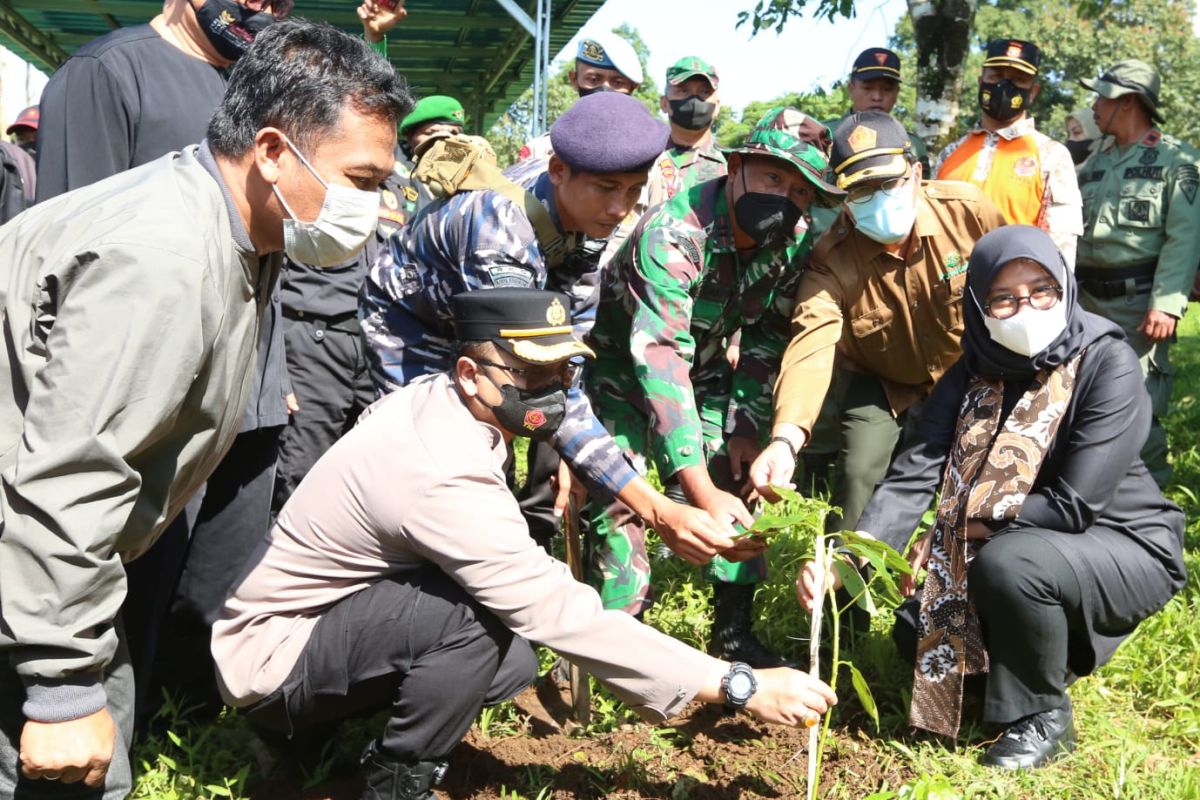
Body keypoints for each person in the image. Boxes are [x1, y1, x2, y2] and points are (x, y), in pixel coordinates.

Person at [213, 288, 838, 800]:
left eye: (562, 372)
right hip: (274, 659)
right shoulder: (438, 468)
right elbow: (556, 610)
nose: (550, 390)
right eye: (530, 374)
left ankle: (322, 736)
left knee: (507, 661)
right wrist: (738, 685)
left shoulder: (445, 405)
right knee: (474, 621)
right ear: (469, 374)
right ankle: (394, 783)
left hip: (326, 624)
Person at [0, 20, 406, 798]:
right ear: (274, 152)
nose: (373, 207)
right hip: (28, 570)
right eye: (361, 179)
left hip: (46, 575)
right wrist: (60, 688)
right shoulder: (166, 261)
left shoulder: (235, 231)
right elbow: (71, 476)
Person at [795, 225, 1187, 769]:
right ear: (978, 305)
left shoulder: (1106, 362)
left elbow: (1074, 505)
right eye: (1003, 297)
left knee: (1010, 565)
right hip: (1022, 541)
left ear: (1064, 286)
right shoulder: (969, 375)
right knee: (918, 631)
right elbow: (914, 475)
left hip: (1120, 542)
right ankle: (1012, 673)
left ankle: (1043, 716)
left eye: (1041, 289)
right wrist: (849, 556)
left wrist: (959, 525)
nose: (1025, 307)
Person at [362, 91, 734, 572]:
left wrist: (578, 457)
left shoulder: (585, 226)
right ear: (558, 169)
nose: (620, 208)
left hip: (480, 324)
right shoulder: (499, 229)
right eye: (606, 188)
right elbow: (520, 383)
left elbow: (564, 375)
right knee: (431, 460)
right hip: (411, 324)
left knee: (495, 446)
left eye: (633, 190)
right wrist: (657, 508)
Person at [584, 107, 844, 667]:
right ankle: (620, 650)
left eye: (801, 191)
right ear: (739, 166)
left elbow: (765, 337)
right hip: (618, 369)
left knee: (739, 478)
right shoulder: (675, 232)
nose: (786, 197)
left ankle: (733, 633)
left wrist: (747, 428)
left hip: (701, 366)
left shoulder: (791, 243)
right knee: (624, 498)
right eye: (775, 178)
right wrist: (695, 486)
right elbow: (658, 355)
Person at [749, 111, 1007, 535]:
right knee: (857, 474)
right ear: (843, 198)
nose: (878, 199)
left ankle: (949, 567)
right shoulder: (831, 259)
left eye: (889, 183)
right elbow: (811, 347)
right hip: (882, 379)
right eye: (861, 191)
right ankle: (843, 575)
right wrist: (785, 439)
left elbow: (1020, 276)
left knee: (983, 475)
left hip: (969, 369)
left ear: (917, 172)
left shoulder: (967, 212)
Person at [1075, 59, 1200, 487]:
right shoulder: (1094, 161)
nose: (1093, 106)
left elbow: (1183, 238)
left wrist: (1166, 304)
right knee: (1085, 399)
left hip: (1138, 305)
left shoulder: (1175, 159)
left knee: (1138, 403)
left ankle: (1152, 505)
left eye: (1101, 97)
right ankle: (1093, 494)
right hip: (1085, 304)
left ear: (1127, 102)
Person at [34, 0, 292, 202]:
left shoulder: (234, 90)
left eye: (276, 4)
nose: (263, 11)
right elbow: (69, 235)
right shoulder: (107, 69)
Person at [935, 39, 1082, 268]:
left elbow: (1061, 245)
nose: (1004, 86)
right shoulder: (950, 154)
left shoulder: (1052, 155)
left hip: (1013, 294)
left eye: (1017, 79)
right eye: (996, 76)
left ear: (1032, 92)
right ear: (980, 81)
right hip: (946, 294)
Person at [518, 32, 643, 163]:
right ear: (574, 79)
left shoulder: (648, 156)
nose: (605, 91)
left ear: (632, 87)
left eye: (617, 82)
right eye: (594, 79)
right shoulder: (539, 152)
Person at [645, 56, 727, 208]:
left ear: (716, 107)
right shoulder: (644, 159)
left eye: (704, 92)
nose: (694, 99)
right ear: (664, 103)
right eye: (683, 90)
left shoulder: (732, 167)